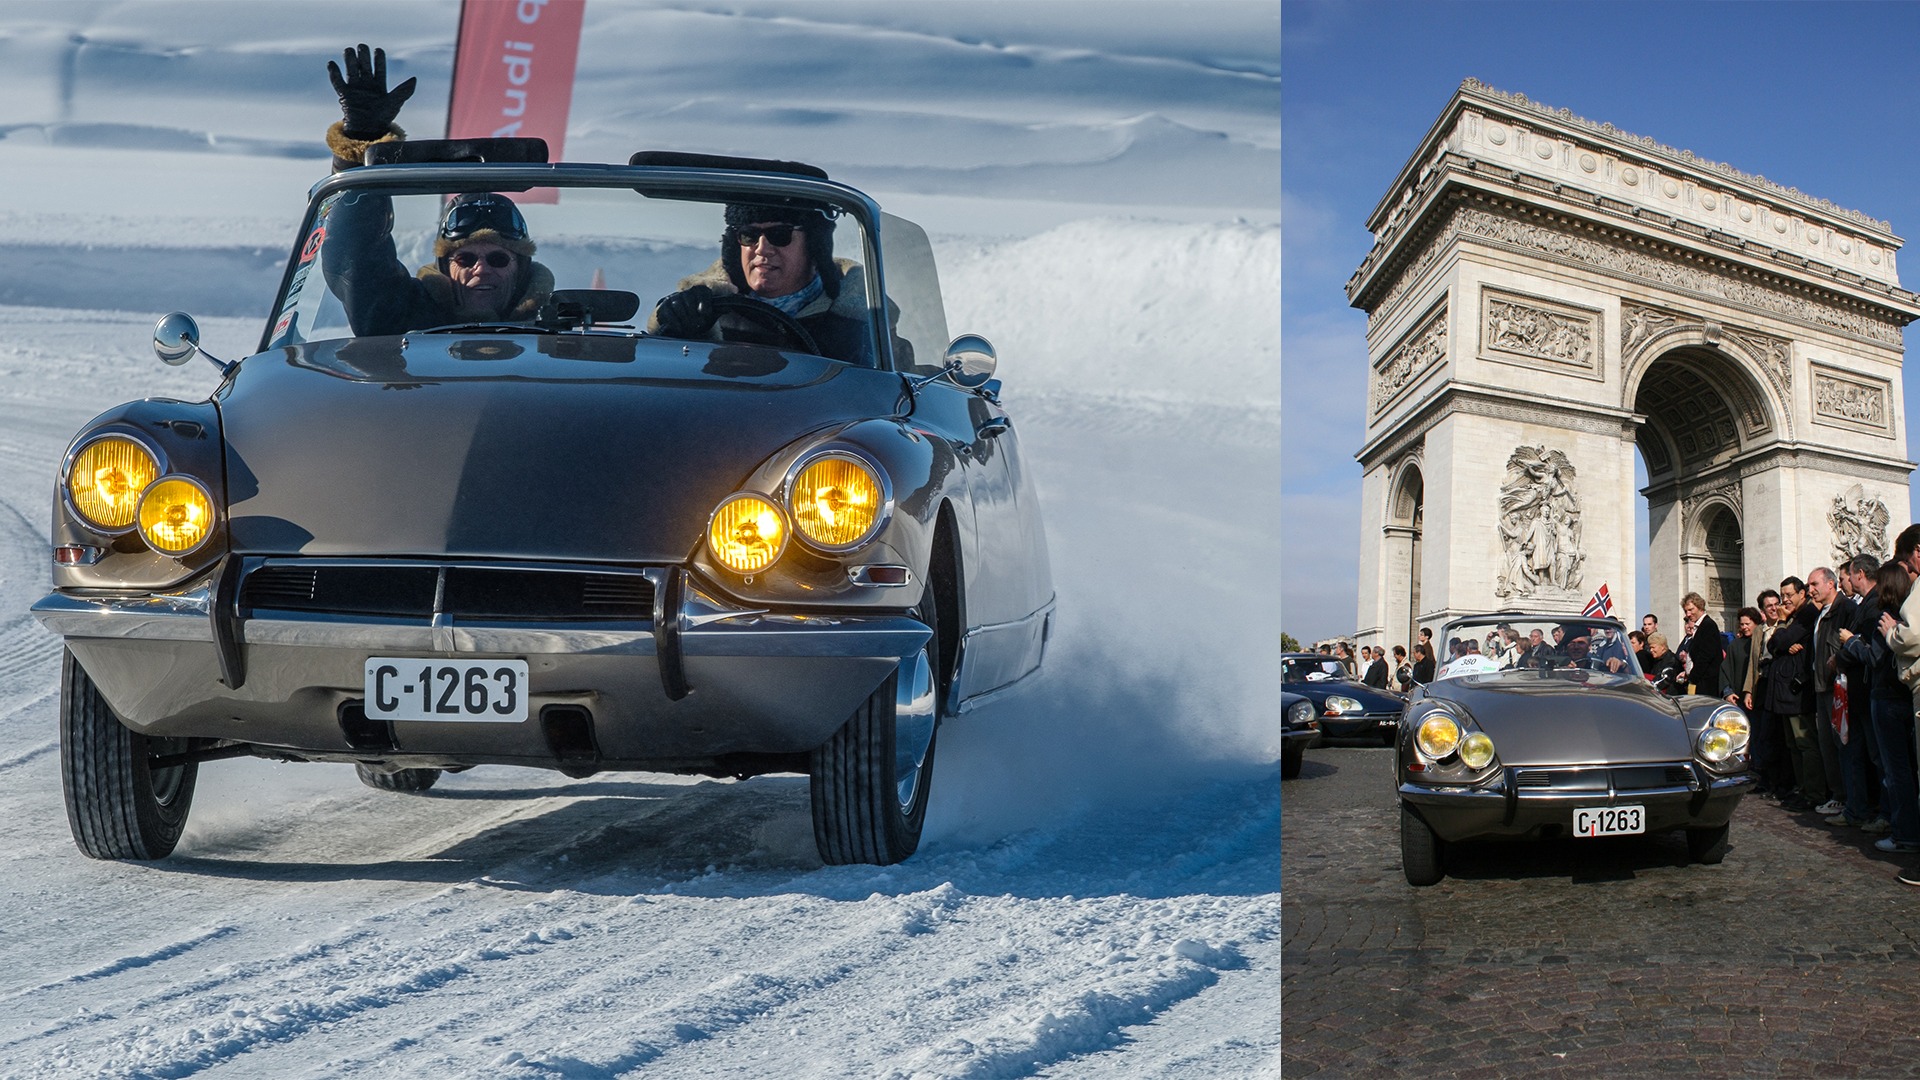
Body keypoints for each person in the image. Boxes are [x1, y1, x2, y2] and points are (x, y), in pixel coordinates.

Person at [319, 45, 555, 335]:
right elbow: (354, 257)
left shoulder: (554, 331)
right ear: (445, 267)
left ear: (521, 269)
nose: (481, 270)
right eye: (465, 258)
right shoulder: (402, 318)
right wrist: (360, 145)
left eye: (498, 258)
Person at [650, 202, 874, 364]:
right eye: (749, 235)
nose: (762, 249)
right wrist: (675, 324)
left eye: (779, 234)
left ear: (815, 245)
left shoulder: (867, 317)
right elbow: (660, 372)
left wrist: (857, 347)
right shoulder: (701, 306)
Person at [1773, 577, 1824, 813]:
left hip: (1798, 691)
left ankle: (1813, 793)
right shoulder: (1795, 617)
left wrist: (1782, 627)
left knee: (1805, 743)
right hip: (1787, 690)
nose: (1784, 600)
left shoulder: (1807, 614)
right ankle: (1803, 789)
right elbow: (1774, 645)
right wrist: (1783, 641)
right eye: (1782, 595)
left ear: (1802, 593)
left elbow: (1780, 639)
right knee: (1794, 744)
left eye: (1789, 595)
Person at [1808, 567, 1856, 820]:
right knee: (1828, 745)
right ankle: (1839, 796)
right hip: (1822, 686)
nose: (1810, 590)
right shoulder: (1821, 613)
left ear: (1830, 583)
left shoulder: (1845, 609)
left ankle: (1848, 799)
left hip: (1837, 686)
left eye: (1814, 584)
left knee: (1841, 744)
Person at [1680, 592, 1724, 696]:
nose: (1688, 614)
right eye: (1686, 611)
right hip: (1700, 681)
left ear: (1700, 607)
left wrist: (1692, 678)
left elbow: (1705, 657)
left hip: (1706, 684)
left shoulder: (1708, 626)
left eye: (1691, 610)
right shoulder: (1700, 626)